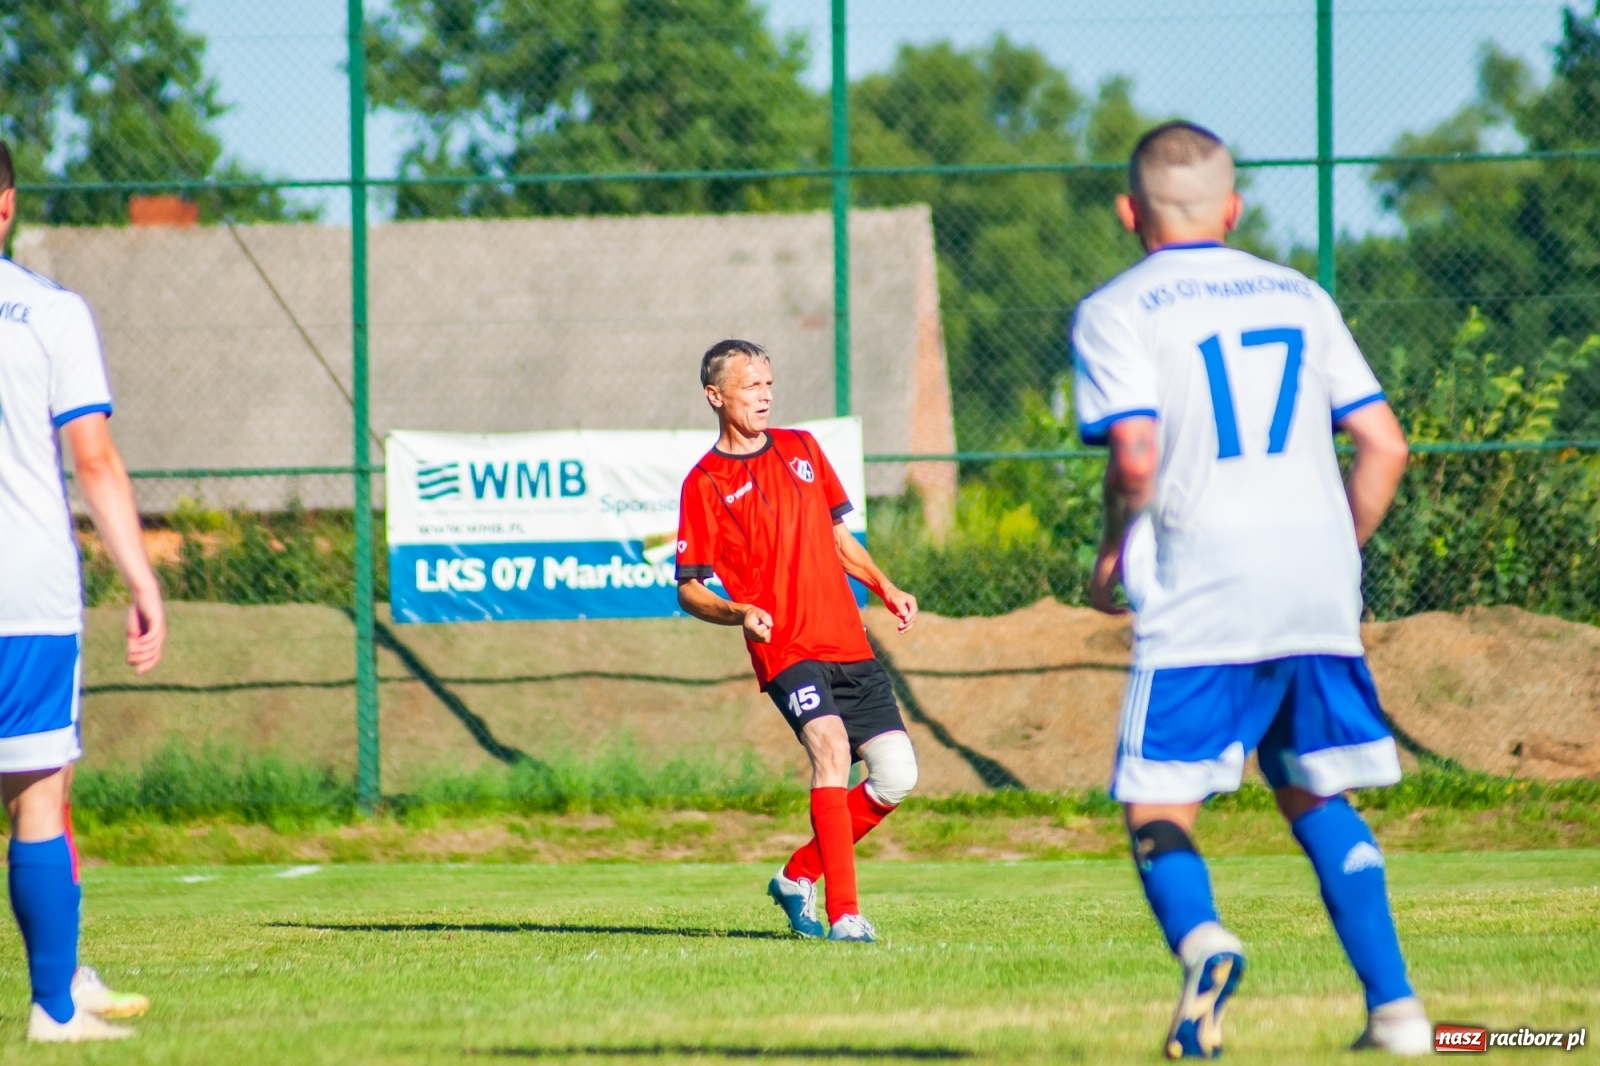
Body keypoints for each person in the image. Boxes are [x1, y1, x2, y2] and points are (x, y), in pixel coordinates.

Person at [1072, 122, 1431, 1059]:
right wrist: (1332, 550)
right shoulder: (1302, 295)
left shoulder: (1117, 309)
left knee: (1158, 804)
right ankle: (1397, 1013)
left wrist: (1111, 553)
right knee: (1314, 792)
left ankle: (1203, 940)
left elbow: (1136, 457)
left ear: (1129, 213)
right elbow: (1385, 445)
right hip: (1315, 588)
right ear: (1232, 209)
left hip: (1203, 585)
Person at [0, 139, 166, 1041]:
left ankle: (65, 974)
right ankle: (54, 1006)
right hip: (22, 592)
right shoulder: (49, 314)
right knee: (36, 794)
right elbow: (93, 459)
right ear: (7, 206)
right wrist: (141, 578)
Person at [676, 339, 919, 943]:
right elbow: (689, 589)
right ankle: (846, 916)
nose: (764, 395)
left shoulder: (803, 448)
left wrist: (886, 586)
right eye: (750, 385)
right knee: (831, 750)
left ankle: (796, 876)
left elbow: (839, 539)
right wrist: (739, 612)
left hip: (847, 640)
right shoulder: (703, 483)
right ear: (715, 396)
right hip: (785, 648)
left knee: (897, 776)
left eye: (768, 384)